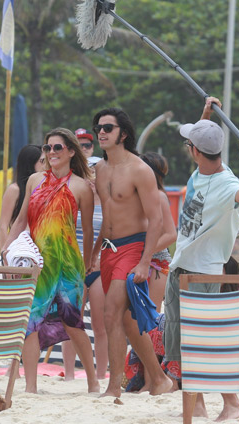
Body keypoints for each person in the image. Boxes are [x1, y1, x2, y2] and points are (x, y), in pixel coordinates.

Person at [162, 97, 239, 420]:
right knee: (182, 340)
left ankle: (231, 403)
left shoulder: (228, 181)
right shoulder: (200, 173)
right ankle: (197, 403)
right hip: (181, 266)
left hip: (204, 271)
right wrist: (204, 114)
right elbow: (200, 140)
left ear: (195, 151)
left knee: (205, 340)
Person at [4, 127, 100, 394]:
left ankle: (92, 380)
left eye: (57, 147)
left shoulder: (81, 187)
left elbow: (89, 231)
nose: (51, 152)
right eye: (47, 148)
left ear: (71, 151)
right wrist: (7, 248)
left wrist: (88, 263)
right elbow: (21, 219)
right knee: (30, 322)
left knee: (73, 322)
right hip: (38, 263)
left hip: (68, 265)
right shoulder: (34, 181)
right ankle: (31, 387)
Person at [91, 108, 174, 398]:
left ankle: (114, 386)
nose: (101, 132)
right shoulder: (99, 170)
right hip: (108, 250)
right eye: (99, 127)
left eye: (108, 128)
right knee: (125, 320)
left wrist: (144, 261)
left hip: (134, 247)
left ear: (123, 134)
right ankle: (160, 378)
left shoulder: (140, 170)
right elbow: (105, 217)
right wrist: (93, 253)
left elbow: (157, 221)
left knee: (110, 313)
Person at [62, 130, 109, 381]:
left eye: (95, 173)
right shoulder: (74, 196)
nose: (92, 177)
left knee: (100, 326)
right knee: (72, 323)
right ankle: (69, 374)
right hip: (73, 263)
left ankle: (101, 375)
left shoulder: (108, 200)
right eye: (88, 172)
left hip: (99, 265)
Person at [136, 152, 176, 391]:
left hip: (157, 264)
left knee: (150, 324)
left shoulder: (159, 197)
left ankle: (153, 379)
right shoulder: (137, 196)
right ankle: (146, 378)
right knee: (135, 323)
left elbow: (171, 234)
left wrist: (146, 252)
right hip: (140, 261)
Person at [0, 144, 45, 250]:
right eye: (42, 161)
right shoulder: (15, 190)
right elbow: (3, 226)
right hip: (18, 249)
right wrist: (5, 252)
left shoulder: (46, 189)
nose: (46, 165)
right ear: (30, 163)